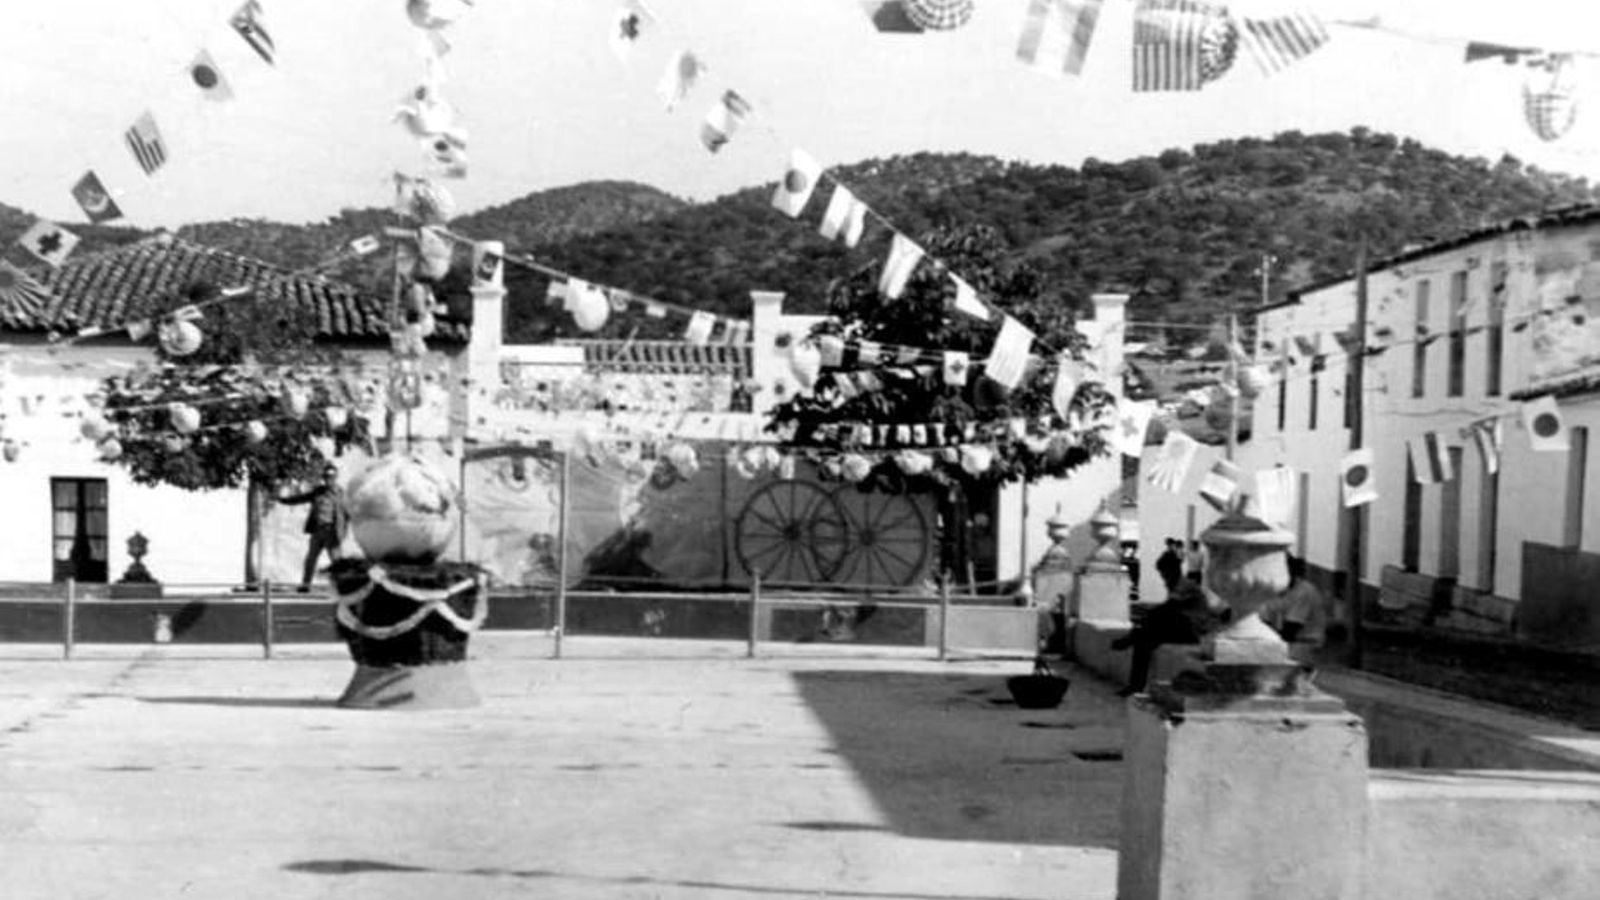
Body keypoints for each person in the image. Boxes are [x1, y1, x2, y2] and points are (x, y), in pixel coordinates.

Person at [1111, 571, 1221, 696]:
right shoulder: (1186, 589)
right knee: (1143, 642)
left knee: (1152, 626)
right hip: (1182, 631)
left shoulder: (1189, 588)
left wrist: (1148, 616)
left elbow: (1169, 607)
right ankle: (1135, 685)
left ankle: (1130, 642)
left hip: (1190, 633)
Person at [278, 464, 348, 593]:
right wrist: (283, 500)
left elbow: (347, 515)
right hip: (317, 531)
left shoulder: (341, 494)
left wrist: (342, 533)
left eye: (331, 477)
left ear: (335, 478)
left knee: (337, 562)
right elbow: (301, 498)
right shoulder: (318, 491)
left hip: (331, 532)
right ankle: (305, 585)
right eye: (326, 477)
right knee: (310, 559)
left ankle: (344, 587)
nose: (328, 480)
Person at [1268, 555, 1328, 651]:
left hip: (1306, 643)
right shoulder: (1275, 590)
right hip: (1288, 640)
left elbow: (1290, 630)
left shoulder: (1304, 591)